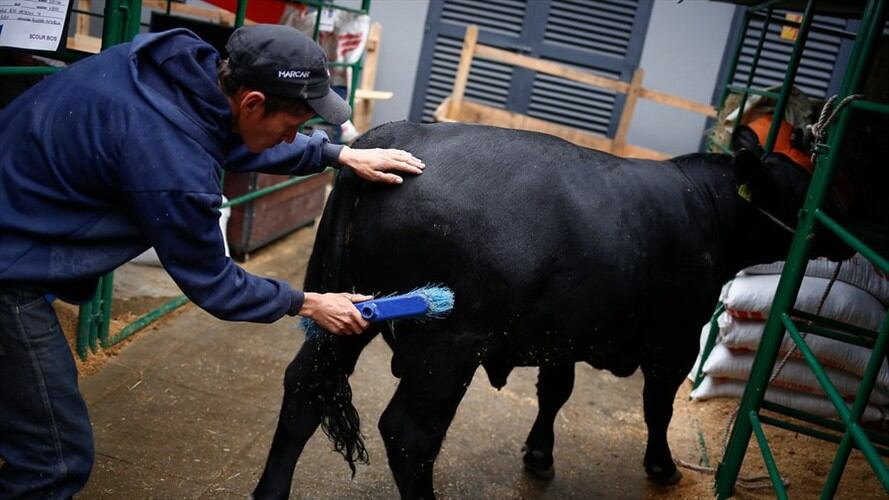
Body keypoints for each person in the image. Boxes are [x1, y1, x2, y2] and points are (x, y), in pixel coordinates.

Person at [0, 24, 423, 497]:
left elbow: (227, 135)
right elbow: (215, 283)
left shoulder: (174, 74)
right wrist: (308, 303)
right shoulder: (172, 163)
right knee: (54, 459)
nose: (290, 138)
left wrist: (335, 153)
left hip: (17, 212)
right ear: (252, 102)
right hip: (9, 274)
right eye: (292, 127)